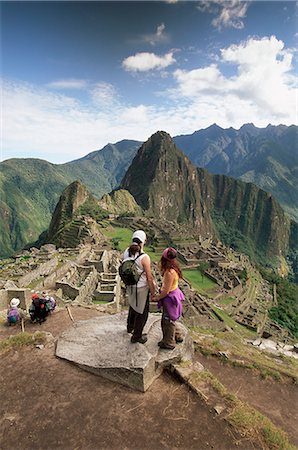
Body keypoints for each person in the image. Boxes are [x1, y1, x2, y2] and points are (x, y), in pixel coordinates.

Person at [122, 230, 155, 344]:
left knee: (133, 306)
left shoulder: (126, 252)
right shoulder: (144, 257)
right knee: (142, 313)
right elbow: (149, 278)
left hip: (130, 286)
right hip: (141, 289)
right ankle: (137, 336)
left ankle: (130, 327)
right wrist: (153, 291)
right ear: (143, 242)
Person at [153, 247, 184, 350]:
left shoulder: (169, 273)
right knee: (171, 319)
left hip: (170, 299)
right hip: (174, 295)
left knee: (167, 321)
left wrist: (157, 297)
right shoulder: (174, 269)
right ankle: (177, 335)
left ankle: (169, 342)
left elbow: (166, 291)